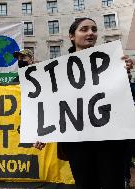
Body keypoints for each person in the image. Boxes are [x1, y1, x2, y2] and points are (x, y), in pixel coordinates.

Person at [34, 18, 134, 189]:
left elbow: (119, 96)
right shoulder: (58, 69)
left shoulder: (111, 60)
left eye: (94, 29)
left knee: (113, 184)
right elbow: (54, 102)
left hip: (109, 139)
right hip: (77, 141)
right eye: (84, 29)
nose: (90, 33)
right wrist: (43, 131)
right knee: (85, 185)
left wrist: (124, 74)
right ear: (72, 36)